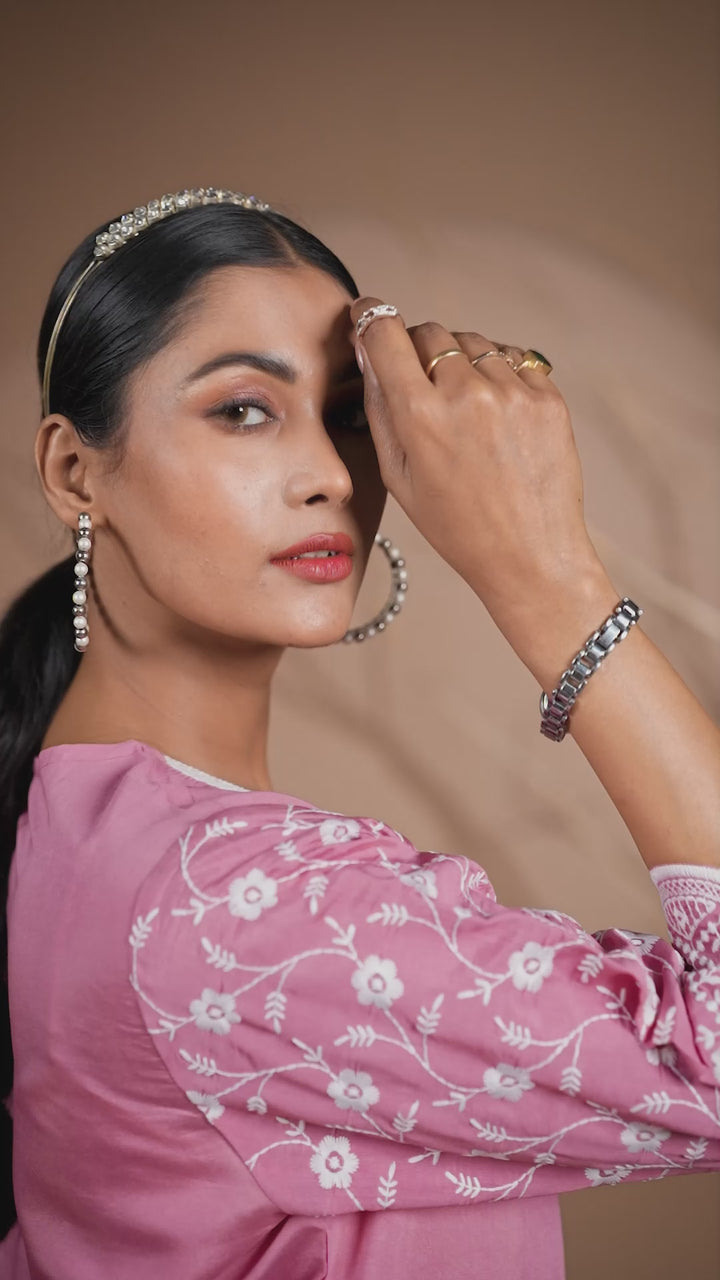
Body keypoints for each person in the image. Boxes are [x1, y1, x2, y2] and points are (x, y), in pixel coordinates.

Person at [0, 188, 718, 1280]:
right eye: (245, 410)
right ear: (73, 470)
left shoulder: (78, 808)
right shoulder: (237, 908)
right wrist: (551, 583)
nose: (335, 476)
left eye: (348, 414)